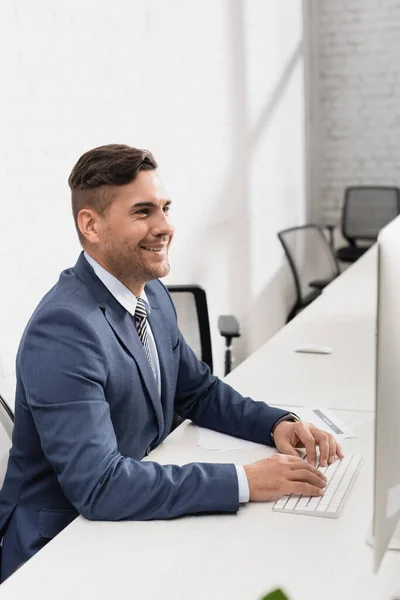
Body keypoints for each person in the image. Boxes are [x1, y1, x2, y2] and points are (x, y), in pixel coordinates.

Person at [0, 144, 343, 581]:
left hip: (128, 522)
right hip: (59, 550)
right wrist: (245, 481)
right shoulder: (65, 329)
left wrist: (275, 424)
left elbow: (197, 390)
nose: (165, 227)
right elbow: (99, 486)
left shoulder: (151, 292)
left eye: (165, 208)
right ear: (91, 225)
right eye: (143, 212)